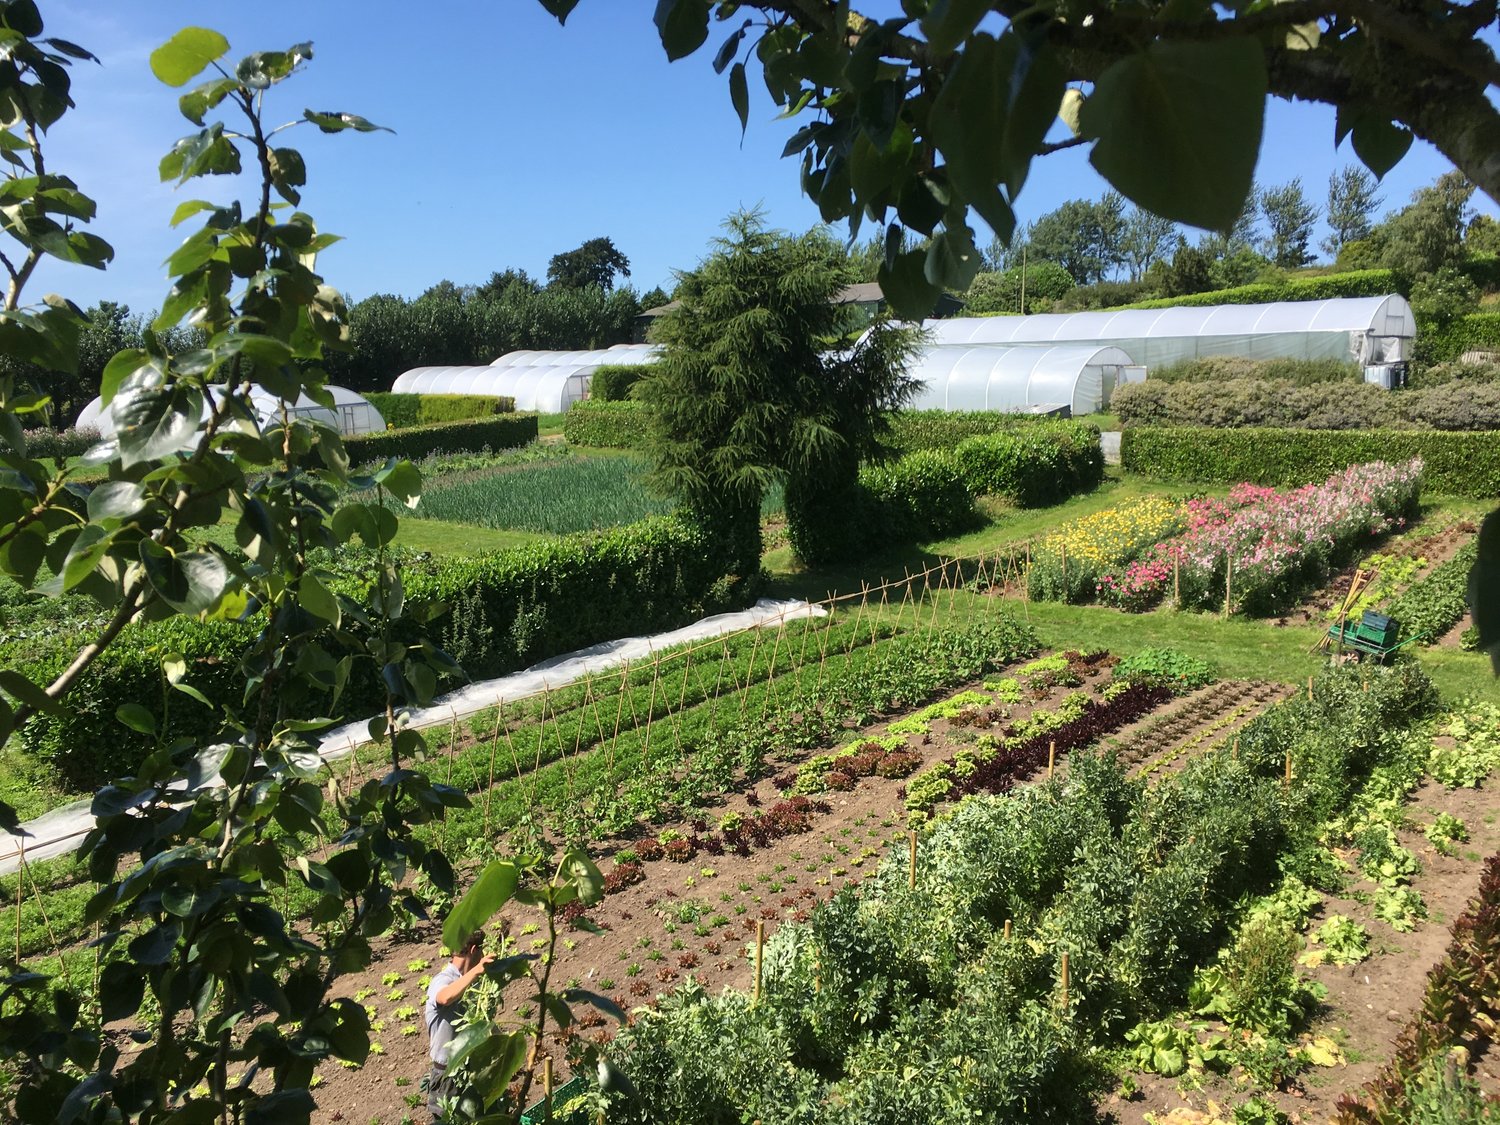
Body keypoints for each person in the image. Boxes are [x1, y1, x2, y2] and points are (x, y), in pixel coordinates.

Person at [424, 930, 494, 1121]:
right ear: (473, 950)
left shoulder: (470, 984)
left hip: (472, 1071)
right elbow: (444, 997)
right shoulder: (443, 979)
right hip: (448, 1076)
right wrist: (477, 969)